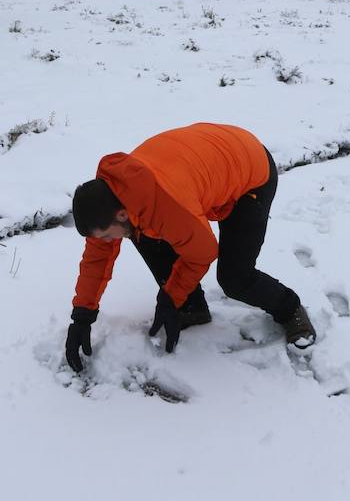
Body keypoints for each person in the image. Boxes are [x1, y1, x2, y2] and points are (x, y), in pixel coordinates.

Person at [66, 122, 316, 372]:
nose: (109, 241)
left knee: (235, 278)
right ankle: (192, 307)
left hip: (251, 172)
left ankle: (290, 308)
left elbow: (202, 253)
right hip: (209, 159)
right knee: (143, 234)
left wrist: (170, 297)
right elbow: (98, 257)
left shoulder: (169, 207)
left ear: (120, 214)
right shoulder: (110, 196)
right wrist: (82, 315)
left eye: (109, 235)